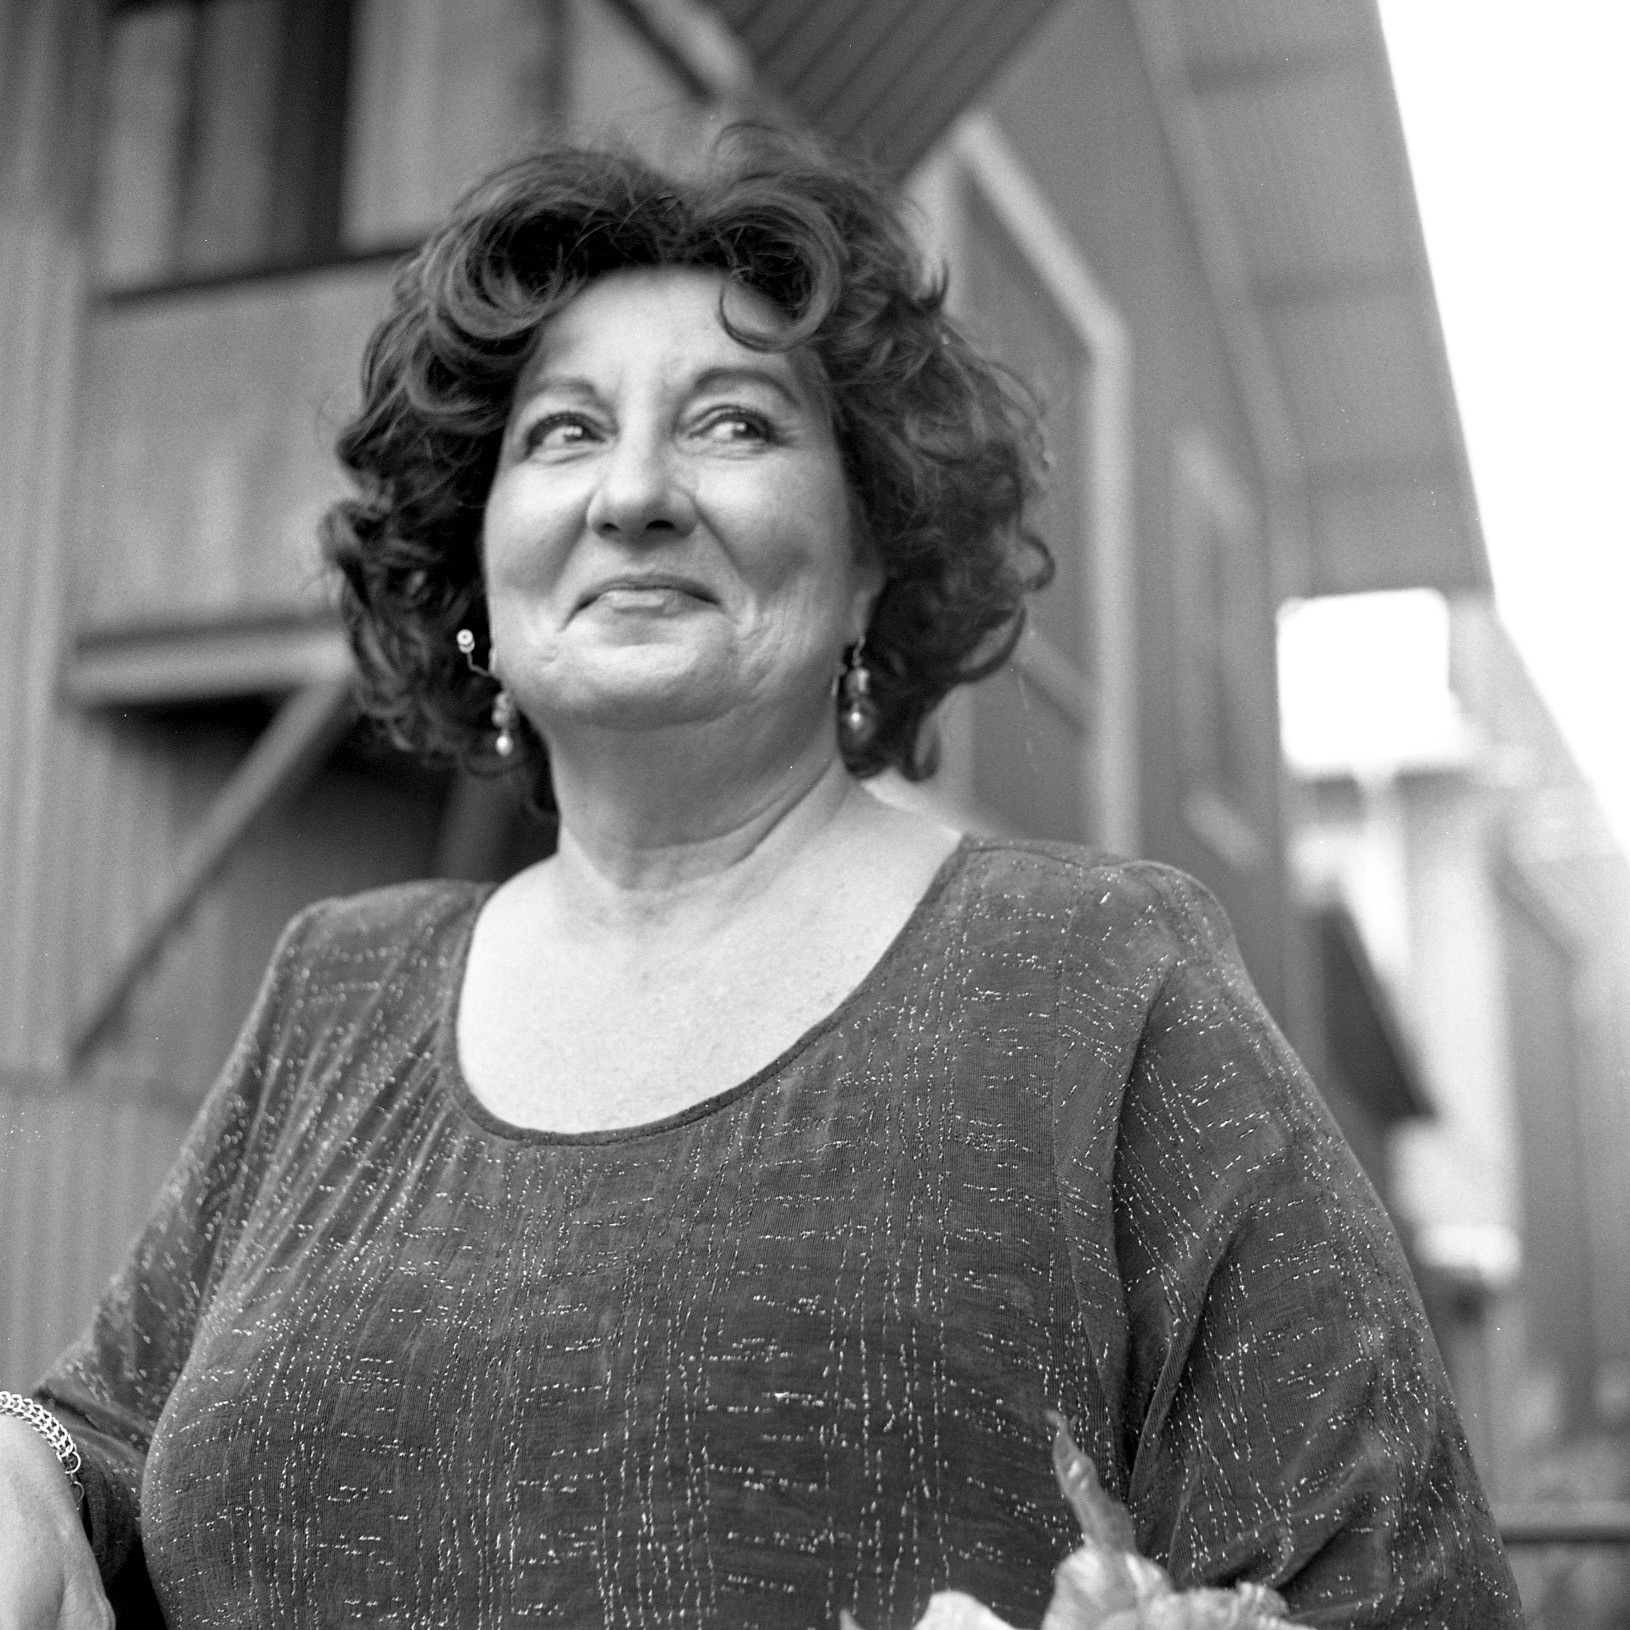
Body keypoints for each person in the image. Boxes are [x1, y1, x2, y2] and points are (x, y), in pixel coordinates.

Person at [0, 134, 1522, 1629]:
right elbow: (105, 1431)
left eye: (733, 423)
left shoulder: (1100, 977)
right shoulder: (339, 980)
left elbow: (1401, 1588)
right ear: (479, 570)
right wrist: (27, 1464)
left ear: (870, 557)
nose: (633, 494)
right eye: (562, 432)